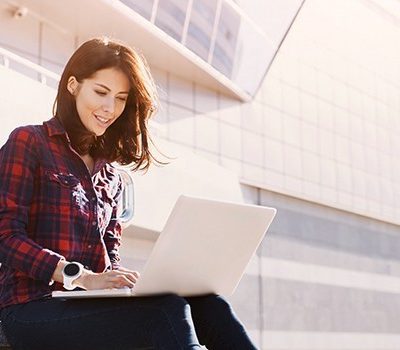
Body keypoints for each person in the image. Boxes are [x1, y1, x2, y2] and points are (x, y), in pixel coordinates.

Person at [0, 37, 258, 350]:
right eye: (101, 92)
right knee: (165, 311)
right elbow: (6, 237)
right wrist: (79, 276)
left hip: (89, 308)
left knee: (209, 304)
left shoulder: (111, 176)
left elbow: (109, 256)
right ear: (72, 85)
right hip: (31, 308)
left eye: (121, 98)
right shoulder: (29, 141)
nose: (110, 109)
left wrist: (124, 280)